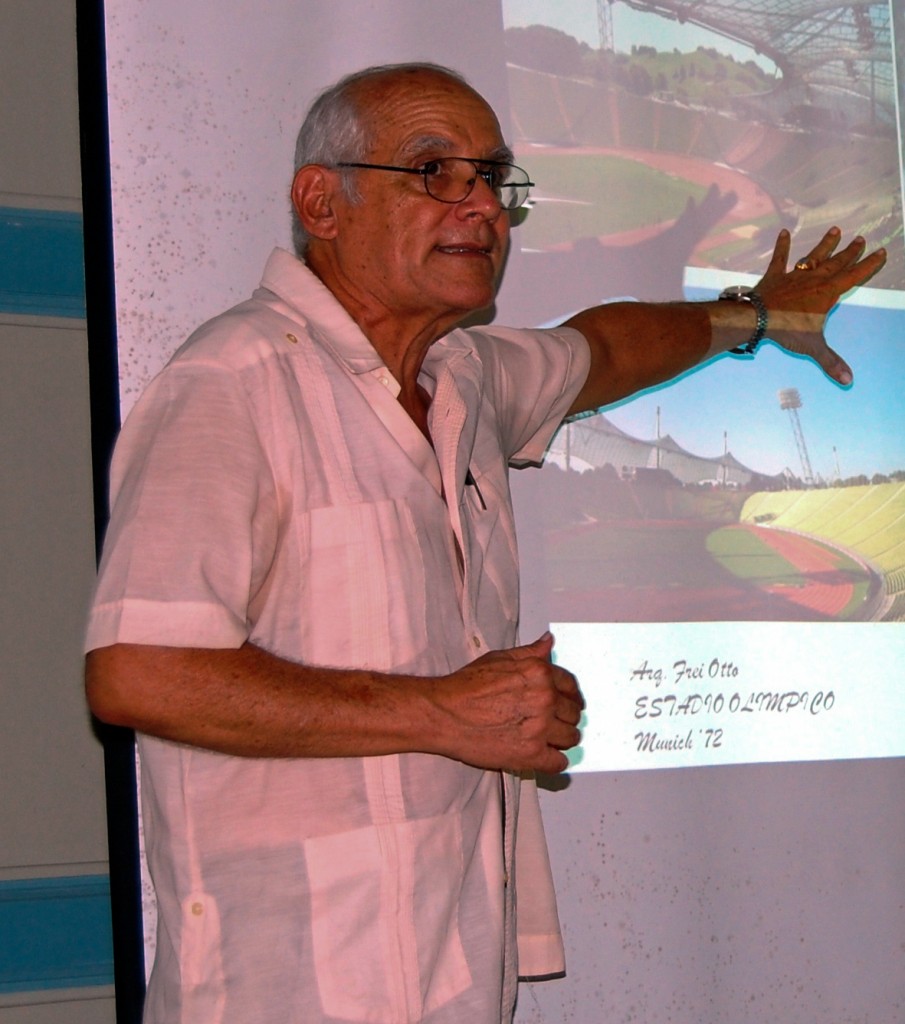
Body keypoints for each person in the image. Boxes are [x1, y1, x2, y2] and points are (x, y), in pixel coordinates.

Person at [85, 62, 885, 1024]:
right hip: (284, 982)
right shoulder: (233, 381)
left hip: (458, 970)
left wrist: (757, 315)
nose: (483, 210)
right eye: (434, 172)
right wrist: (441, 711)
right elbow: (137, 672)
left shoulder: (464, 376)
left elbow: (609, 345)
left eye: (494, 180)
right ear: (320, 202)